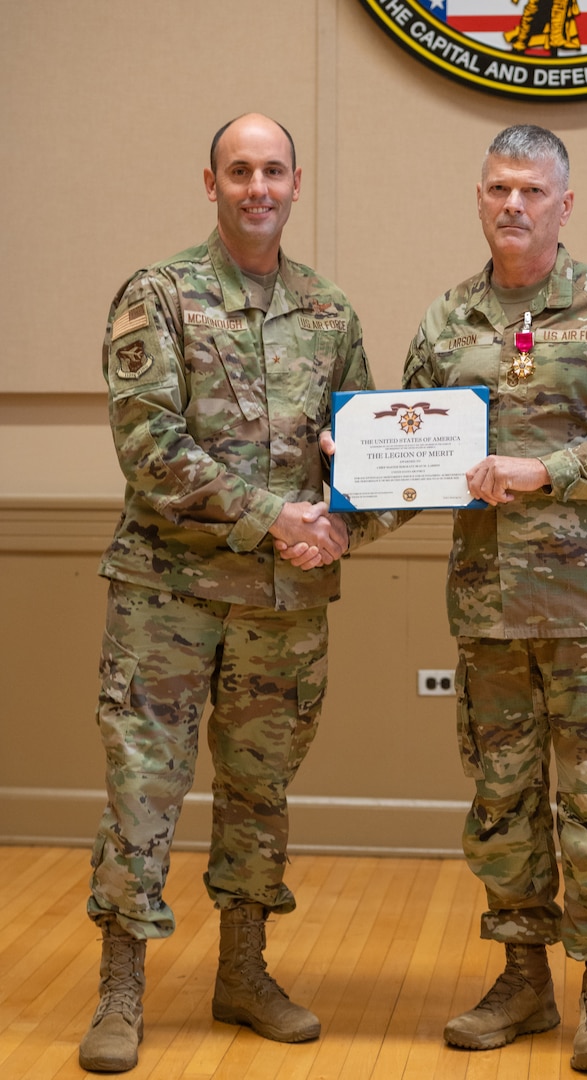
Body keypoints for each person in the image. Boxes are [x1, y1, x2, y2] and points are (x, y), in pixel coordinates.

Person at [79, 112, 377, 1073]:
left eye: (274, 171)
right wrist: (271, 517)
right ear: (210, 184)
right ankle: (121, 988)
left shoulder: (329, 314)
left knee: (259, 794)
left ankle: (243, 972)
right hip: (168, 595)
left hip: (281, 606)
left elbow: (364, 457)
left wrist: (344, 520)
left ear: (298, 184)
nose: (258, 186)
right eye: (239, 170)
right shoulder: (158, 296)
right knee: (142, 790)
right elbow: (149, 448)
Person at [399, 125, 587, 1072]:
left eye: (531, 189)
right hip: (488, 619)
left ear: (565, 204)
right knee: (502, 805)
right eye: (496, 188)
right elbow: (408, 449)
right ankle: (523, 978)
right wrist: (356, 468)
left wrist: (550, 470)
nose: (512, 205)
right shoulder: (447, 322)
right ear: (478, 198)